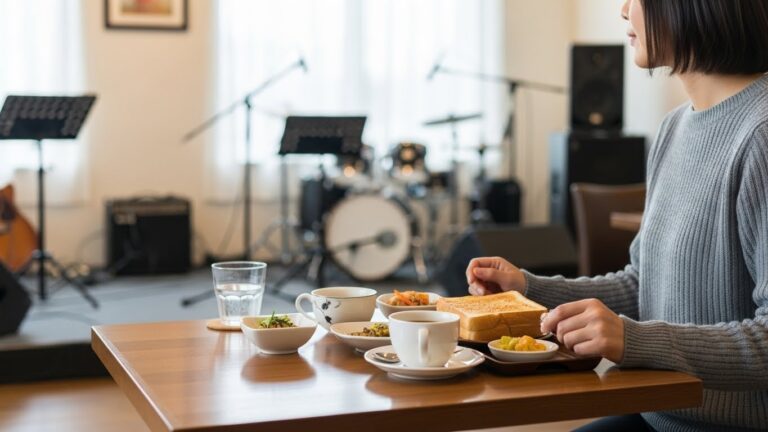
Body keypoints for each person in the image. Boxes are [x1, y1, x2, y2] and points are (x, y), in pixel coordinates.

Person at [466, 1, 768, 431]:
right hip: (659, 414)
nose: (624, 9)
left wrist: (633, 339)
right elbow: (642, 285)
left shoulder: (760, 135)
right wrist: (528, 290)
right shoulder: (674, 128)